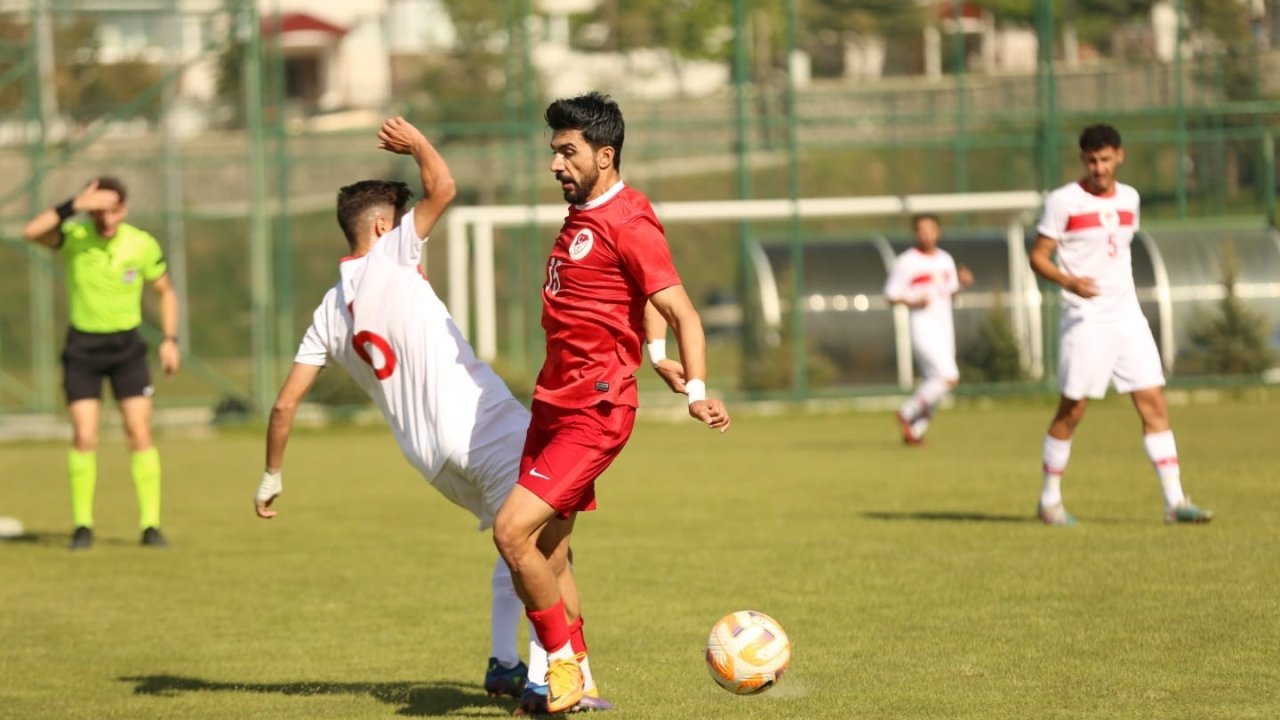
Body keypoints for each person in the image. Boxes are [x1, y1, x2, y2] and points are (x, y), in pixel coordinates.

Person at [253, 117, 610, 711]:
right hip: (485, 427)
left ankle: (504, 663)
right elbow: (442, 187)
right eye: (399, 220)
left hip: (430, 460)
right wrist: (418, 144)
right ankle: (554, 682)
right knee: (549, 552)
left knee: (514, 543)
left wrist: (272, 476)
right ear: (380, 226)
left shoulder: (326, 311)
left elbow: (284, 403)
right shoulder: (391, 256)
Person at [490, 92, 732, 714]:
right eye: (553, 152)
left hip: (594, 411)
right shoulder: (585, 211)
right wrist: (653, 353)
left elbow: (681, 309)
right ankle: (584, 679)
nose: (555, 164)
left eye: (568, 152)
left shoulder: (629, 218)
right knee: (549, 551)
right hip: (552, 401)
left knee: (512, 532)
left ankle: (561, 672)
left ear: (606, 154)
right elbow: (635, 297)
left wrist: (696, 391)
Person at [1030, 124, 1212, 526]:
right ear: (1083, 161)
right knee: (1073, 409)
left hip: (1127, 317)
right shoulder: (1063, 201)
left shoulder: (1130, 198)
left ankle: (1175, 501)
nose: (1099, 168)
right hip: (1084, 319)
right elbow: (1038, 257)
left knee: (1153, 404)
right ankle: (1049, 502)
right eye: (1092, 161)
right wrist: (1070, 281)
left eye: (1106, 159)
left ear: (1120, 157)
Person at [21, 176, 180, 550]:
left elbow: (165, 290)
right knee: (85, 435)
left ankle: (150, 525)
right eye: (100, 210)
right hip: (83, 350)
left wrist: (170, 340)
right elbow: (31, 232)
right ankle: (82, 526)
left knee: (139, 433)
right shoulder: (75, 238)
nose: (107, 218)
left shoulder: (140, 244)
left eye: (114, 209)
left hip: (127, 349)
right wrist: (74, 204)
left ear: (124, 210)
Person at [884, 213, 974, 445]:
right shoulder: (907, 261)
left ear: (938, 232)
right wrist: (912, 301)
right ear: (915, 233)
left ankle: (915, 431)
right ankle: (907, 412)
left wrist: (962, 284)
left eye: (930, 229)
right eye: (921, 230)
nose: (926, 234)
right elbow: (891, 295)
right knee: (948, 377)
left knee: (936, 383)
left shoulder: (945, 259)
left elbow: (950, 293)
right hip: (922, 327)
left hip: (945, 327)